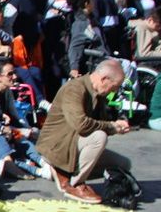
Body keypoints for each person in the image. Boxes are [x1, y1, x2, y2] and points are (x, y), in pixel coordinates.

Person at [35, 58, 134, 203]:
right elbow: (81, 124)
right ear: (104, 79)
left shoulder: (98, 93)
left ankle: (68, 171)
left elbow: (100, 123)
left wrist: (116, 126)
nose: (115, 91)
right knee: (99, 137)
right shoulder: (74, 89)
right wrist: (111, 126)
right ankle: (75, 184)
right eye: (114, 86)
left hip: (74, 142)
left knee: (123, 165)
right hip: (58, 146)